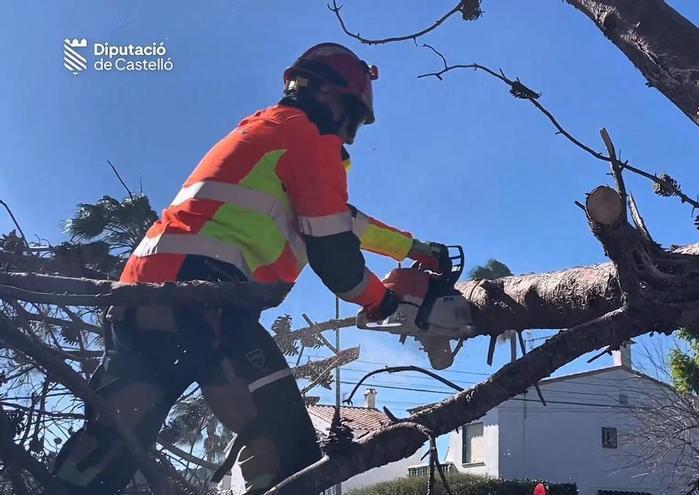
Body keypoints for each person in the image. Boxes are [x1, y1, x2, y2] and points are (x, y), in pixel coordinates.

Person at [52, 42, 451, 495]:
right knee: (285, 443)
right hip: (204, 296)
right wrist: (382, 301)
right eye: (353, 119)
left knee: (116, 437)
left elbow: (349, 222)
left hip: (140, 298)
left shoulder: (268, 134)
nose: (349, 134)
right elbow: (336, 256)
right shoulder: (309, 138)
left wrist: (416, 248)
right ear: (331, 98)